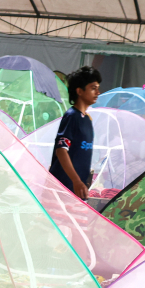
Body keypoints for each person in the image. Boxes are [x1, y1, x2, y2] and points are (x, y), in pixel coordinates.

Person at [49, 65, 101, 200]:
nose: (98, 92)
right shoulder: (72, 117)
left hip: (77, 190)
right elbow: (61, 150)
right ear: (79, 91)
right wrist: (76, 180)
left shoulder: (87, 119)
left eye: (98, 88)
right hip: (62, 189)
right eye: (93, 88)